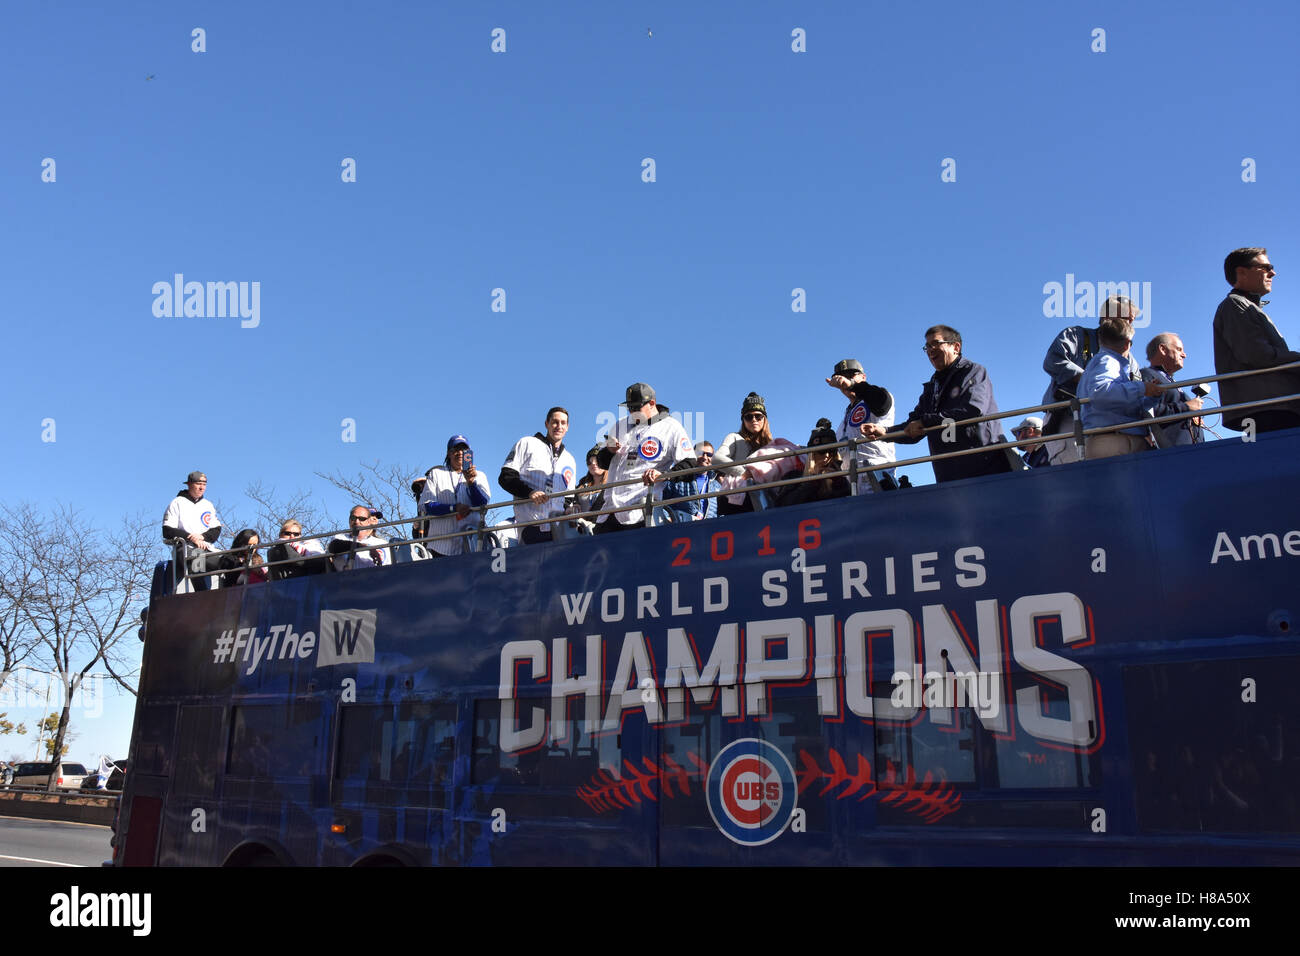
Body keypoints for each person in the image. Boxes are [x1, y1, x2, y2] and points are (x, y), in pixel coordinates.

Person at [863, 326, 1014, 483]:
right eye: (927, 346)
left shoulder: (973, 371)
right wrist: (885, 432)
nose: (930, 350)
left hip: (985, 469)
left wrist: (925, 422)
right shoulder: (932, 387)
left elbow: (972, 410)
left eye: (936, 343)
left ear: (956, 347)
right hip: (949, 477)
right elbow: (913, 426)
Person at [1041, 296, 1144, 464]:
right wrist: (1089, 380)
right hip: (1069, 420)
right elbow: (1053, 361)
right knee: (1076, 482)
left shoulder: (1130, 360)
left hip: (1114, 430)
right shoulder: (1078, 336)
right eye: (1126, 318)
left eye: (1132, 321)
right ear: (1106, 317)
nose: (1130, 325)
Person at [1212, 247, 1300, 432]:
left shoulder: (1246, 306)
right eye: (1266, 267)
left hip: (1273, 407)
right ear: (1241, 272)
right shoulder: (1236, 305)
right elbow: (1257, 355)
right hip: (1266, 410)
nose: (1273, 273)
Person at [595, 382, 697, 532]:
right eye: (629, 408)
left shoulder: (671, 427)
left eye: (637, 408)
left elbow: (690, 464)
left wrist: (664, 475)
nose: (632, 412)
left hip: (641, 511)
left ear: (652, 403)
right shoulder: (619, 425)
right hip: (608, 513)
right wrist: (608, 450)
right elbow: (601, 462)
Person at [1079, 315, 1163, 459]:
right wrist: (1142, 388)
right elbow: (1100, 393)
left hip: (1111, 440)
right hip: (1115, 442)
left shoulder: (1100, 362)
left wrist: (1151, 396)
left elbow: (1120, 403)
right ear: (1127, 344)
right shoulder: (1108, 361)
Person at [498, 407, 578, 544]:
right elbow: (506, 478)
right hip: (531, 528)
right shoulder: (527, 443)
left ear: (568, 427)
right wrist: (529, 493)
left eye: (563, 423)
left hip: (559, 530)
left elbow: (568, 499)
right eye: (555, 422)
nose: (559, 426)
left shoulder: (570, 460)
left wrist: (569, 510)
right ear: (546, 424)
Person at [711, 393, 793, 515]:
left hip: (767, 499)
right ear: (743, 420)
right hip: (738, 500)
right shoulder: (734, 437)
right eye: (748, 417)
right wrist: (744, 472)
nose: (753, 420)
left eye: (758, 416)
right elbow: (716, 459)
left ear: (764, 419)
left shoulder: (773, 445)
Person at [825, 358, 897, 491]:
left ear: (863, 376)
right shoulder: (842, 424)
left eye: (851, 375)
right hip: (851, 484)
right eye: (841, 378)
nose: (845, 381)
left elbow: (881, 403)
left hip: (877, 477)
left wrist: (853, 385)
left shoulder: (876, 398)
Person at [419, 435, 492, 555]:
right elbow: (428, 506)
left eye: (463, 450)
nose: (459, 453)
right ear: (449, 453)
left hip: (472, 545)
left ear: (469, 453)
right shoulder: (436, 473)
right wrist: (453, 508)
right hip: (441, 546)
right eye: (455, 450)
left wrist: (471, 483)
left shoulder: (479, 475)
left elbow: (482, 506)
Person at [162, 471, 223, 591]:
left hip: (206, 548)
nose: (201, 487)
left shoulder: (208, 505)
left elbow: (216, 528)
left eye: (204, 484)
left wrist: (202, 537)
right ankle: (202, 597)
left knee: (230, 561)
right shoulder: (177, 503)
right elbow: (167, 530)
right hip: (185, 549)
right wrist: (190, 536)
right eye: (198, 484)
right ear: (189, 484)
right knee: (197, 560)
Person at [1142, 333, 1204, 447]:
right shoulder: (1148, 375)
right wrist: (1186, 407)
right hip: (1171, 454)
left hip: (1193, 452)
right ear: (1163, 349)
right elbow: (1149, 412)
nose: (1184, 355)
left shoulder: (1171, 382)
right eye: (1179, 349)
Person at [769, 419, 851, 507]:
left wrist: (838, 482)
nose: (827, 456)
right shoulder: (793, 477)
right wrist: (812, 482)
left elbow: (850, 504)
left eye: (831, 452)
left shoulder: (841, 479)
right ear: (812, 453)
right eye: (821, 451)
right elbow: (782, 506)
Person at [660, 441, 721, 522]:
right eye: (701, 453)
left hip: (709, 530)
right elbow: (661, 502)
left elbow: (721, 512)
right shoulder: (678, 478)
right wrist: (668, 519)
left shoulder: (717, 486)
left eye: (709, 455)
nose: (705, 457)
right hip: (683, 529)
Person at [328, 506, 392, 570]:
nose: (357, 521)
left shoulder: (382, 543)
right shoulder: (340, 537)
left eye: (362, 518)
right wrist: (366, 548)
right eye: (353, 518)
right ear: (349, 520)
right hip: (344, 578)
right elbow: (333, 546)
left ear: (369, 522)